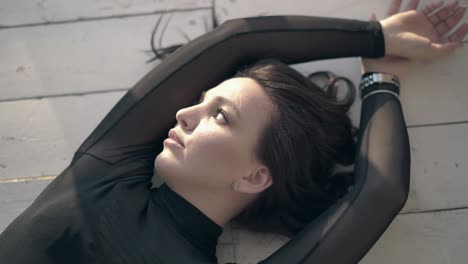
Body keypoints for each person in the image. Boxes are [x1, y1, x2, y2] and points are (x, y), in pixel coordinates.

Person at [0, 0, 466, 263]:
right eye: (201, 101)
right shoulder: (101, 172)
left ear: (256, 176)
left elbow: (380, 190)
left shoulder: (103, 171)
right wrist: (376, 38)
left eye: (219, 116)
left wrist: (379, 75)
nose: (183, 112)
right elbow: (236, 38)